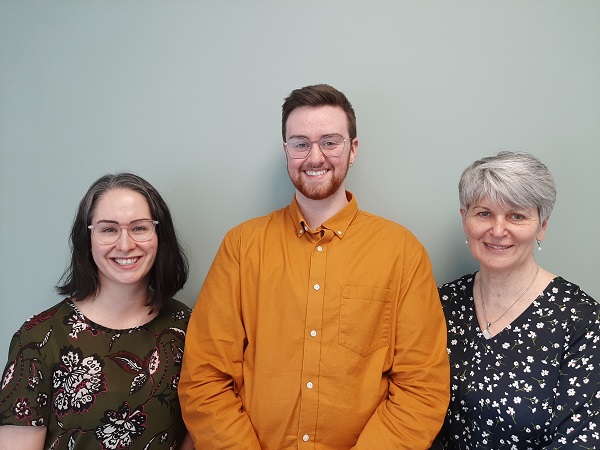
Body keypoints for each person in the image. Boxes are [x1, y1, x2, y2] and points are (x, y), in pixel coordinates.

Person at [179, 84, 450, 449]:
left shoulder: (402, 252)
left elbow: (422, 388)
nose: (315, 156)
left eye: (330, 142)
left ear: (353, 150)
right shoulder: (242, 247)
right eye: (301, 143)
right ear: (286, 151)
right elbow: (205, 379)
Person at [0, 173, 194, 449]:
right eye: (109, 229)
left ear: (159, 235)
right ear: (87, 238)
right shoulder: (37, 339)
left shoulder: (187, 327)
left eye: (139, 228)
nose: (125, 244)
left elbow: (198, 431)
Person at [434, 151, 600, 448]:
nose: (498, 230)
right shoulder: (441, 303)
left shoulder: (581, 321)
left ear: (542, 226)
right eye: (483, 213)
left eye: (517, 215)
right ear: (465, 220)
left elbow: (581, 440)